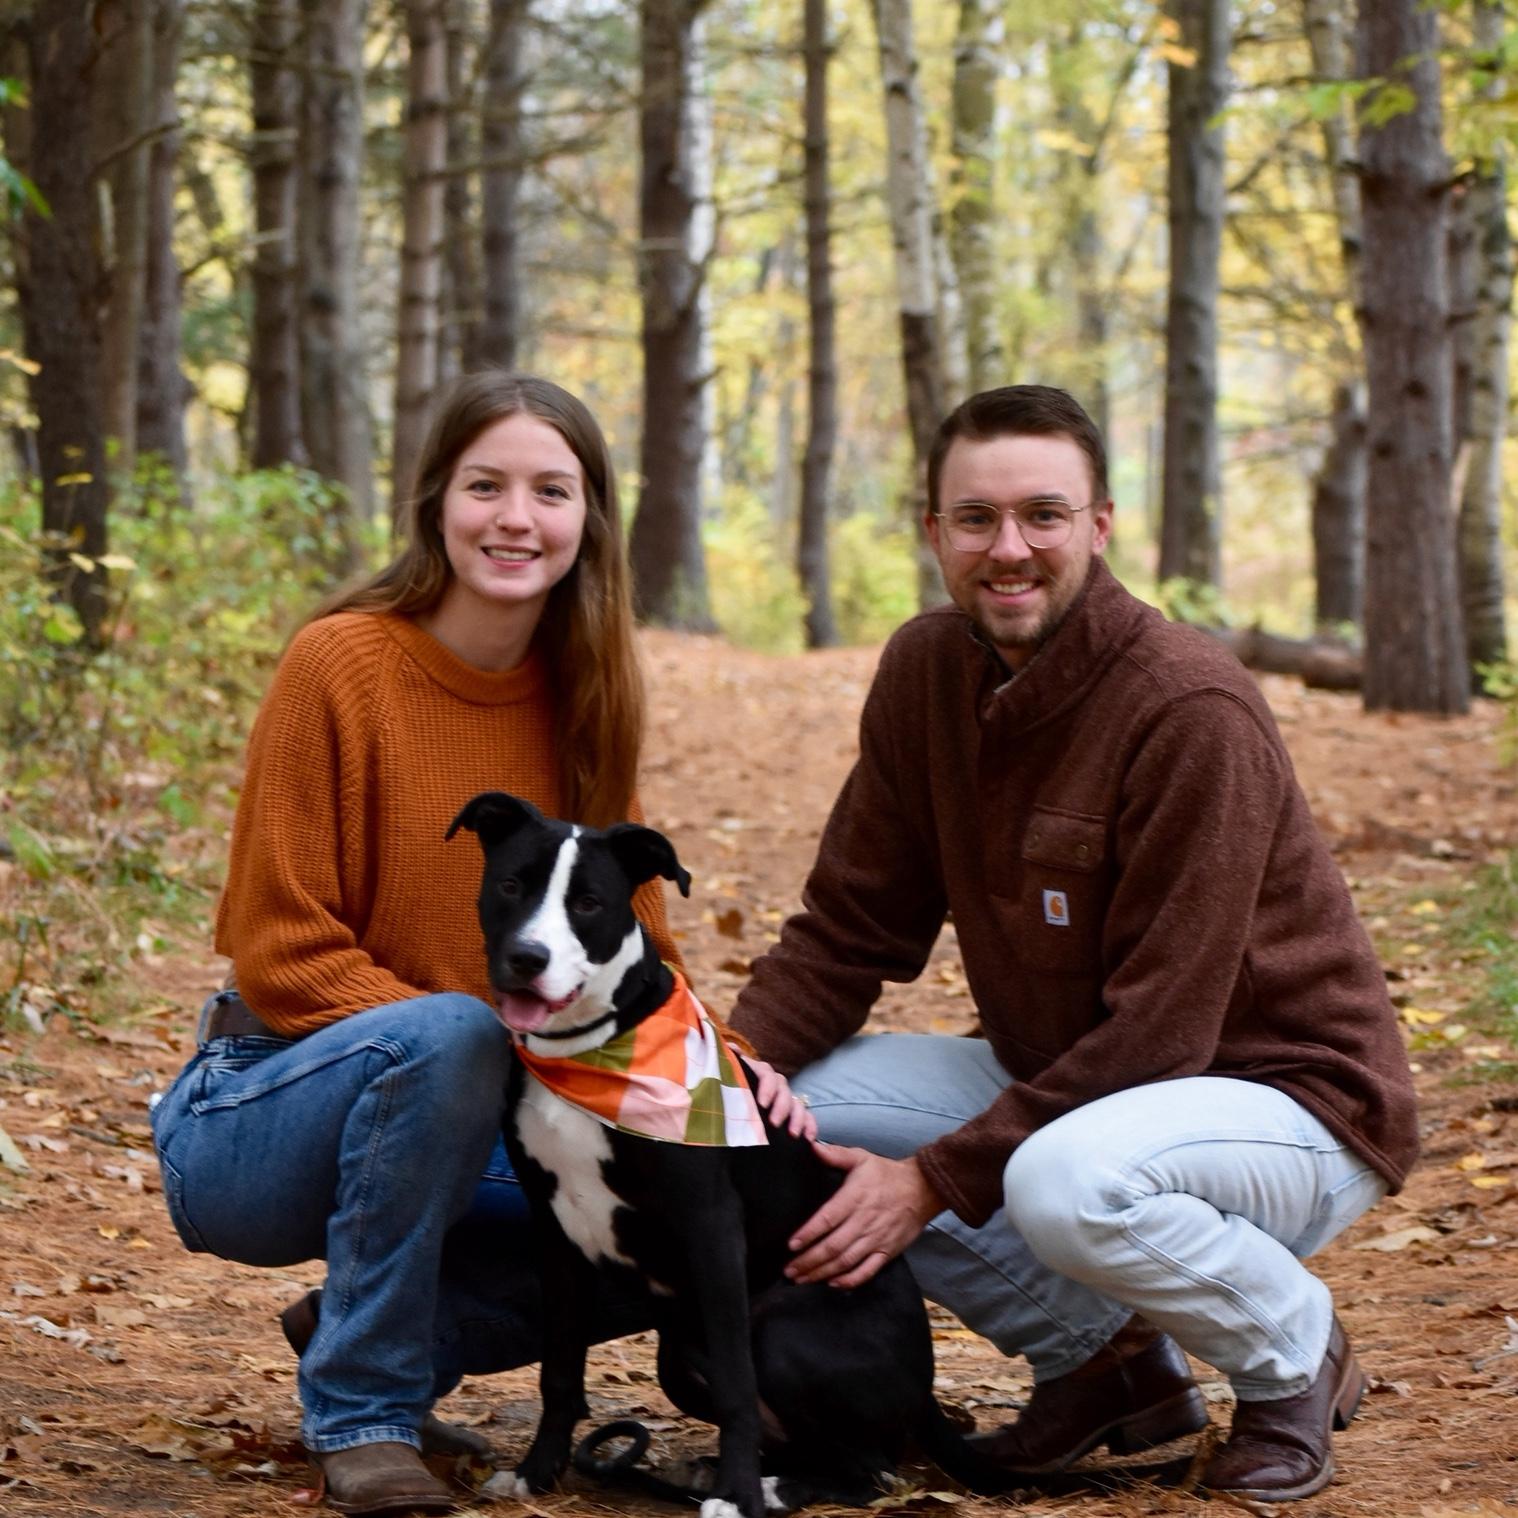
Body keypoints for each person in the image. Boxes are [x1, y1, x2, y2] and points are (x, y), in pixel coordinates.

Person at [730, 385, 1418, 1506]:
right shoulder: (924, 675)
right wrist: (727, 1062)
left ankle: (1295, 1355)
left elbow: (1163, 1032)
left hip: (1288, 1100)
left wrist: (934, 1180)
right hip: (1082, 1082)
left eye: (1043, 516)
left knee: (1061, 1180)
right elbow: (851, 924)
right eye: (976, 520)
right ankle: (1108, 1369)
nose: (1010, 549)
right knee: (790, 1111)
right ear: (934, 531)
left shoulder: (1189, 707)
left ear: (1099, 525)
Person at [150, 372, 771, 1518]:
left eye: (552, 490)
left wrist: (720, 1071)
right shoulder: (340, 664)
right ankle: (365, 1414)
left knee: (704, 1187)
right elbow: (279, 952)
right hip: (261, 1106)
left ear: (591, 520)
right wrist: (490, 1048)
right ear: (437, 500)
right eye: (487, 485)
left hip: (485, 1098)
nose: (516, 519)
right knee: (451, 1038)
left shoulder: (585, 693)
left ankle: (391, 1316)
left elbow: (633, 948)